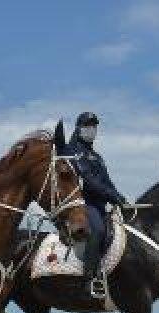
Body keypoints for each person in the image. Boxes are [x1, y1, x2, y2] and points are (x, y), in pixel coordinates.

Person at [66, 112, 126, 299]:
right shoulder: (73, 151)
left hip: (102, 204)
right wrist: (112, 196)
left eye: (94, 126)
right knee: (98, 231)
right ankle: (88, 280)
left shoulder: (97, 157)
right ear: (79, 127)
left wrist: (120, 198)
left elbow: (107, 182)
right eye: (88, 125)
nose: (92, 129)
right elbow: (89, 181)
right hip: (84, 204)